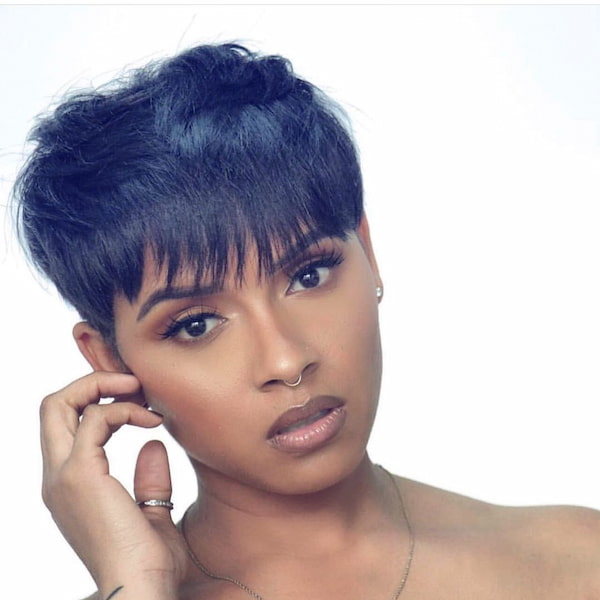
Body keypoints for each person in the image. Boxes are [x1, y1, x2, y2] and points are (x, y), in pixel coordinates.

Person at [14, 43, 600, 600]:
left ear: (367, 252)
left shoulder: (576, 563)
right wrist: (136, 582)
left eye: (309, 275)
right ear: (111, 360)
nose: (286, 360)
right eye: (196, 325)